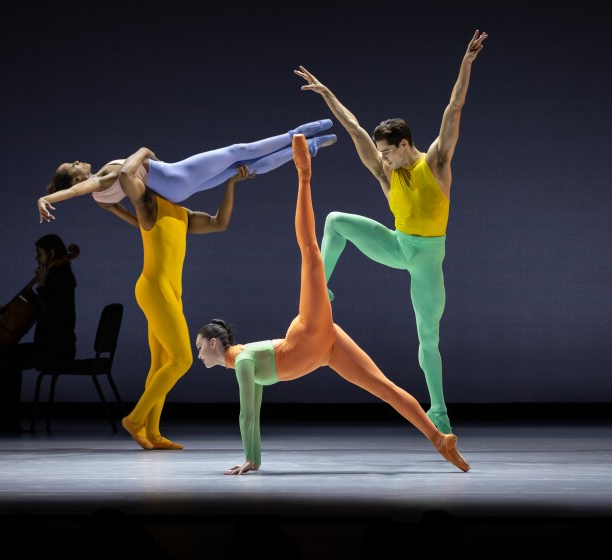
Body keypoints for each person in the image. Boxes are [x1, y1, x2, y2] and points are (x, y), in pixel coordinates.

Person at [195, 134, 470, 475]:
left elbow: (248, 413)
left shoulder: (242, 361)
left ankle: (304, 172)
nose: (200, 356)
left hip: (309, 333)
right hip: (326, 349)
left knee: (310, 250)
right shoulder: (244, 360)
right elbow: (254, 409)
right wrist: (255, 459)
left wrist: (251, 460)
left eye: (200, 349)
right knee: (386, 389)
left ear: (213, 343)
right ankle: (440, 439)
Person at [293, 30, 489, 435]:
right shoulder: (387, 171)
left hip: (428, 261)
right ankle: (321, 290)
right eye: (380, 154)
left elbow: (454, 110)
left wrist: (466, 64)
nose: (381, 159)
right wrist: (327, 93)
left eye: (387, 152)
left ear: (404, 144)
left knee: (428, 336)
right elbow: (354, 130)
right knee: (334, 222)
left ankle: (438, 410)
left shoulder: (434, 163)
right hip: (398, 245)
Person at [114, 143, 268, 450]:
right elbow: (122, 174)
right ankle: (135, 419)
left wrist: (231, 184)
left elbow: (219, 223)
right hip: (154, 287)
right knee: (183, 359)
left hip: (170, 291)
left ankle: (154, 433)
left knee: (160, 363)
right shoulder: (150, 204)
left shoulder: (181, 213)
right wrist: (143, 152)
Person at [37, 120, 337, 226]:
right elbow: (75, 192)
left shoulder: (100, 200)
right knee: (237, 151)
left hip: (175, 191)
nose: (78, 161)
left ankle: (308, 147)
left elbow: (135, 221)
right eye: (73, 166)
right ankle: (297, 134)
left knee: (243, 169)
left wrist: (154, 223)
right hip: (173, 176)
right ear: (78, 178)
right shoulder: (98, 179)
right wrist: (46, 198)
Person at [0, 234, 78, 433]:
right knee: (3, 357)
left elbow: (48, 310)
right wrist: (5, 308)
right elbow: (35, 308)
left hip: (56, 350)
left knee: (1, 358)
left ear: (52, 253)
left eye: (39, 253)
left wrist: (41, 285)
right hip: (50, 347)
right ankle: (9, 417)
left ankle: (9, 418)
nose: (36, 258)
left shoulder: (60, 278)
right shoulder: (56, 276)